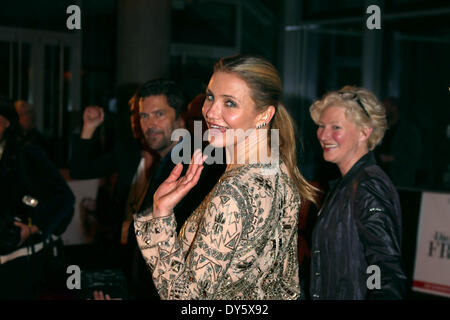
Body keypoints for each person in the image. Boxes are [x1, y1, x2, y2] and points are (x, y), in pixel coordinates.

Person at [134, 54, 317, 299]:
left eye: (229, 103)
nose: (211, 111)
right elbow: (284, 285)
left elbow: (188, 300)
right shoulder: (279, 170)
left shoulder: (232, 192)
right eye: (210, 96)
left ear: (264, 114)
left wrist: (161, 216)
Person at [308, 86, 407, 300]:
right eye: (321, 126)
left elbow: (383, 268)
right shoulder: (346, 184)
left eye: (336, 127)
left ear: (365, 132)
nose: (324, 135)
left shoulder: (368, 186)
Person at [0, 95, 75, 299]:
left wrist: (33, 228)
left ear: (6, 122)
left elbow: (65, 199)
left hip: (19, 261)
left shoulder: (27, 154)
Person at [376, 97, 421, 188]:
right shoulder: (381, 128)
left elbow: (414, 156)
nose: (383, 111)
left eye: (386, 107)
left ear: (394, 108)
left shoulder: (407, 130)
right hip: (380, 178)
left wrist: (392, 158)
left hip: (398, 180)